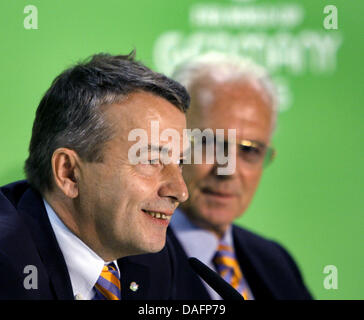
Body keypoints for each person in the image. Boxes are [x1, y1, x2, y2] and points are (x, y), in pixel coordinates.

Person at [0, 52, 190, 300]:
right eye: (152, 160)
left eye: (180, 162)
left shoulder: (153, 260)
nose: (180, 191)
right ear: (68, 173)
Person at [168, 52, 313, 300]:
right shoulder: (127, 260)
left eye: (249, 150)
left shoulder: (276, 262)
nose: (228, 170)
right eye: (211, 143)